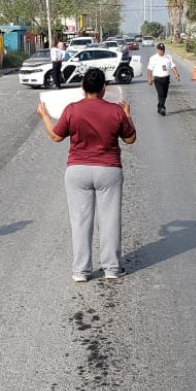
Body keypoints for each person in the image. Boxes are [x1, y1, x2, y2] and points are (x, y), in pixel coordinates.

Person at [36, 68, 137, 282]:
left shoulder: (72, 109)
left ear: (82, 88)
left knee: (80, 221)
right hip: (109, 169)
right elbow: (129, 139)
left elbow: (56, 136)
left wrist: (45, 116)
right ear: (104, 88)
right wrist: (127, 115)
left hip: (77, 170)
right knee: (110, 220)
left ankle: (81, 271)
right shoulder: (115, 111)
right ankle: (111, 268)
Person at [146, 42, 180, 115]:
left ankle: (160, 106)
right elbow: (149, 69)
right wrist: (149, 79)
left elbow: (172, 66)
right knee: (160, 93)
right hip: (158, 79)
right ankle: (162, 108)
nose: (162, 51)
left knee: (165, 94)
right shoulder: (153, 58)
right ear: (157, 50)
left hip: (166, 78)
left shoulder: (168, 57)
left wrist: (176, 74)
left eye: (163, 49)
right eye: (160, 50)